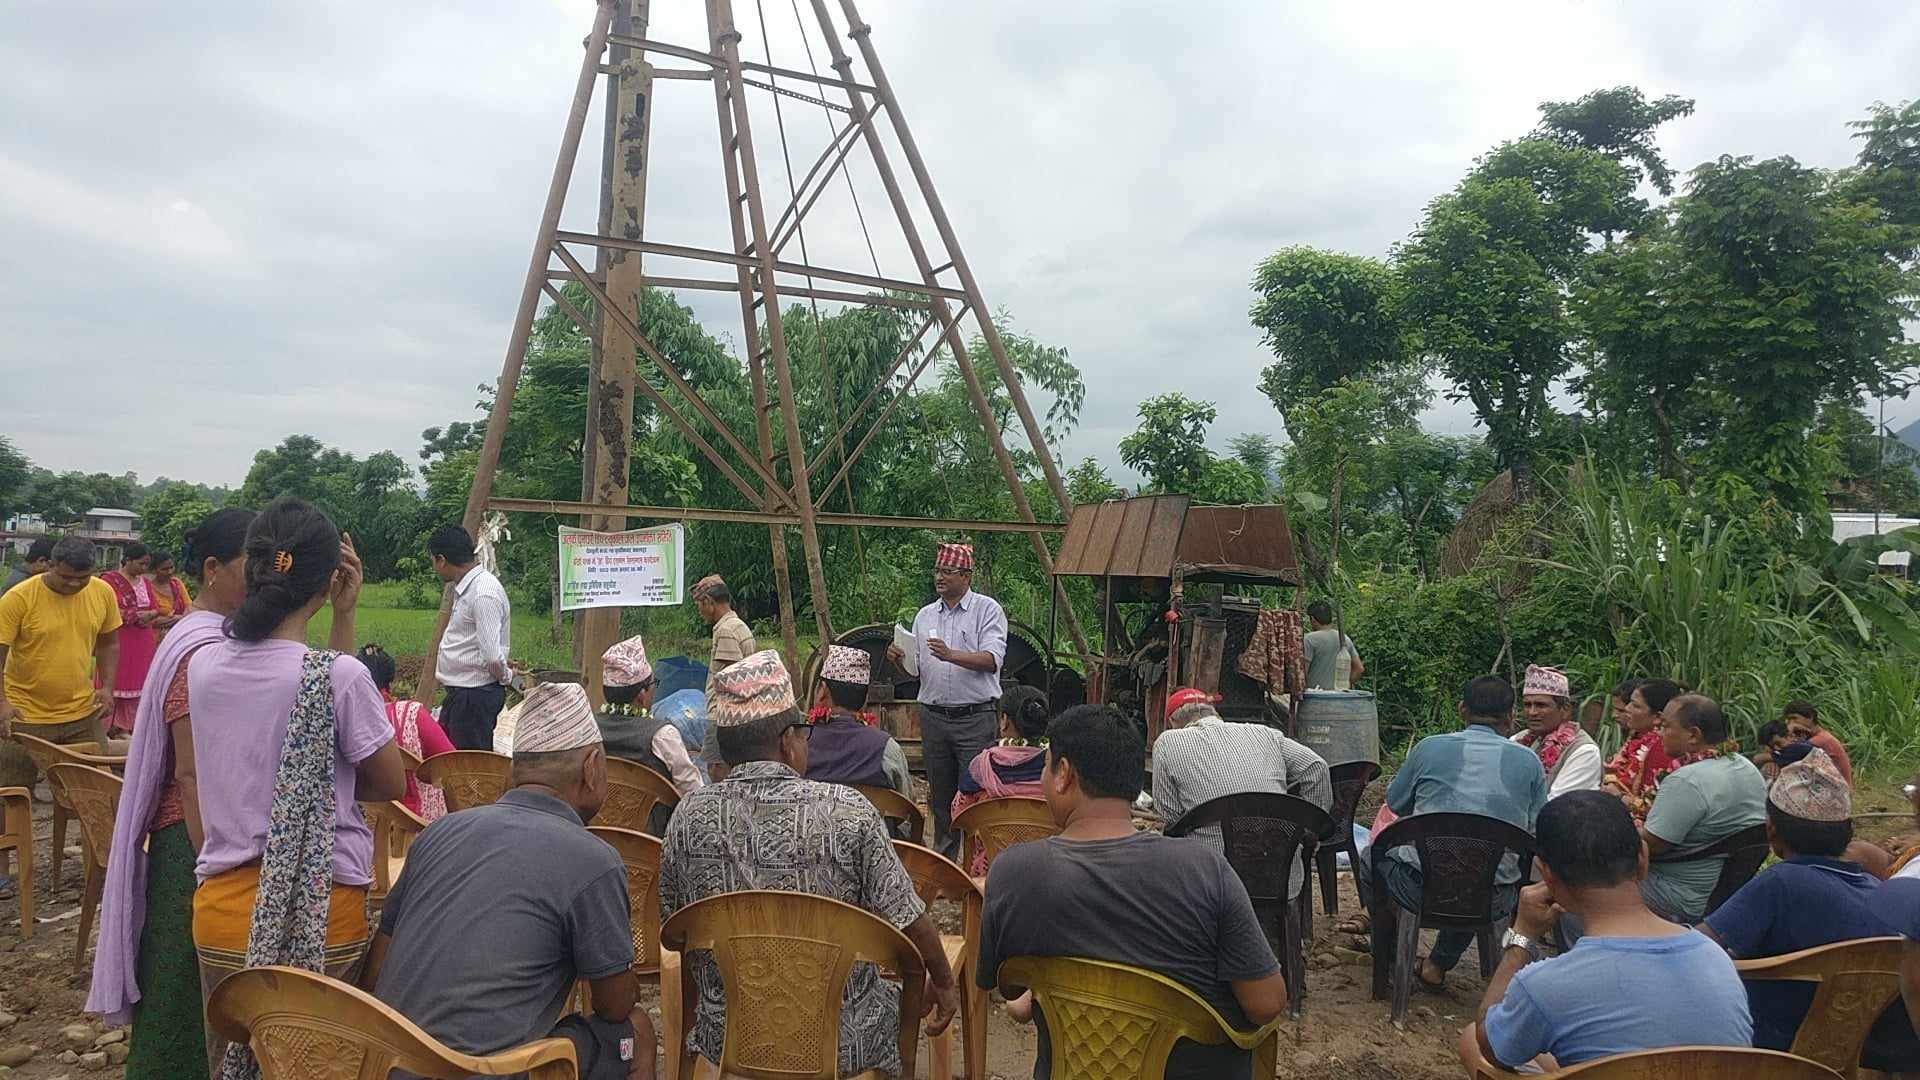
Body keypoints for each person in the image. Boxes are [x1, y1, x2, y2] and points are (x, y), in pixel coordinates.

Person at [184, 497, 406, 1076]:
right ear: (332, 577)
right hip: (320, 914)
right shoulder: (340, 678)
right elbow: (386, 780)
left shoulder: (203, 665)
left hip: (222, 916)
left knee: (234, 1066)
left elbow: (299, 683)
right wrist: (346, 615)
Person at [660, 650, 957, 1077]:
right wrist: (945, 983)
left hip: (729, 1033)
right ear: (787, 741)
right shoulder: (849, 812)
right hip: (842, 1038)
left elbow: (674, 932)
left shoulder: (687, 817)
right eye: (802, 732)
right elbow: (908, 916)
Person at [977, 704, 1287, 1080]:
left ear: (1063, 774)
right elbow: (1266, 1004)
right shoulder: (1204, 869)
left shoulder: (1011, 872)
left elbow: (1014, 996)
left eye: (1045, 766)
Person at [364, 681, 654, 1080]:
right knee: (636, 1030)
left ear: (513, 774)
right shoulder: (593, 860)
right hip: (490, 1073)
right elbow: (614, 1006)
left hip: (388, 1063)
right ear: (592, 768)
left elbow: (376, 970)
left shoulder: (438, 834)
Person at [87, 507, 254, 1080]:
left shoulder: (203, 634)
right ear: (212, 569)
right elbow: (191, 773)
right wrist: (214, 859)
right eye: (250, 566)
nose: (264, 579)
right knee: (187, 974)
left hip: (199, 836)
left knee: (187, 971)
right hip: (195, 837)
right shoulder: (202, 649)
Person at [1460, 790, 1751, 1074]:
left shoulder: (1545, 985)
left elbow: (1493, 1048)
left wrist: (1521, 939)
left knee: (1474, 1037)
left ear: (1546, 873)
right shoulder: (1716, 959)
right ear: (1642, 858)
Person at [1700, 748, 1920, 1071]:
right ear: (1848, 834)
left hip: (1765, 1048)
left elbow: (1698, 947)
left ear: (1771, 831)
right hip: (1848, 1055)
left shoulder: (1779, 882)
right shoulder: (1877, 894)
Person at [1353, 676, 1547, 989]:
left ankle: (1387, 954)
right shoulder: (1530, 762)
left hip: (1417, 888)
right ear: (1511, 716)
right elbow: (1536, 829)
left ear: (1461, 709)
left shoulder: (1430, 748)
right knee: (1476, 870)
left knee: (1369, 858)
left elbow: (1397, 803)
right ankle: (1439, 962)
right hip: (1492, 896)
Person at [1150, 686, 1331, 904]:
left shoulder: (1168, 742)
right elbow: (1316, 766)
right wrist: (1310, 832)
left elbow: (1169, 818)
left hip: (1209, 880)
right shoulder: (1265, 733)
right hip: (1279, 876)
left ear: (1173, 722)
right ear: (1214, 712)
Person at [886, 542, 1007, 860]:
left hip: (974, 717)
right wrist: (899, 661)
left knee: (976, 793)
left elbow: (992, 659)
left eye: (948, 571)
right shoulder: (925, 616)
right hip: (934, 716)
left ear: (966, 576)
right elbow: (917, 673)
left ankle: (977, 865)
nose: (940, 577)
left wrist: (951, 654)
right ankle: (944, 864)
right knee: (940, 795)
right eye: (937, 570)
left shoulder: (987, 610)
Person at [1639, 693, 1768, 925]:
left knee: (1583, 891)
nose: (1659, 733)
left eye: (1666, 726)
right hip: (1726, 895)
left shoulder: (1687, 780)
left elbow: (1650, 845)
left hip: (1679, 895)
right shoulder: (1744, 766)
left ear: (1693, 735)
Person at [0, 536, 122, 753]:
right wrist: (2, 703)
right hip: (23, 715)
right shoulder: (19, 597)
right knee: (15, 786)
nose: (74, 584)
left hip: (81, 714)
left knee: (91, 784)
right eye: (66, 577)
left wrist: (107, 687)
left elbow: (108, 644)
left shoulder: (103, 592)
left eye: (83, 577)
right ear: (50, 565)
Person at [595, 634, 703, 834]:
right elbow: (694, 794)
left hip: (596, 834)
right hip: (650, 845)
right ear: (642, 695)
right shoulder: (662, 735)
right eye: (654, 684)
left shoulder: (589, 729)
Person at [950, 685, 1052, 876]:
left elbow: (959, 814)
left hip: (992, 873)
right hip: (1045, 872)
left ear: (1004, 721)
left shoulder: (982, 766)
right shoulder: (1056, 770)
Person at [430, 523, 512, 750]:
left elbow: (492, 656)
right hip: (463, 695)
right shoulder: (469, 587)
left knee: (469, 769)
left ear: (441, 560)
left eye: (433, 561)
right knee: (452, 762)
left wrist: (506, 676)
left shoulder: (483, 592)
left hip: (474, 696)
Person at [357, 644, 454, 823]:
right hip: (421, 829)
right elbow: (453, 763)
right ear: (391, 681)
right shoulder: (412, 714)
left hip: (369, 831)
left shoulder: (348, 718)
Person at [804, 644, 911, 797]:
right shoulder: (886, 748)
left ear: (822, 690)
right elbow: (906, 806)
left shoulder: (798, 743)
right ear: (866, 697)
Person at [691, 574, 755, 782]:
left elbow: (730, 681)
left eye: (699, 605)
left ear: (709, 602)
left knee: (718, 772)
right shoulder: (737, 626)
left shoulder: (726, 631)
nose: (700, 612)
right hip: (735, 715)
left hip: (723, 716)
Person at [1511, 665, 1602, 798]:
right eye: (1527, 705)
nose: (1532, 712)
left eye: (1541, 705)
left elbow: (1557, 804)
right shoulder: (1518, 740)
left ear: (1565, 710)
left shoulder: (1584, 751)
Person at [1602, 677, 1685, 822]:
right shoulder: (1637, 735)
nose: (1627, 709)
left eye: (1635, 705)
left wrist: (1619, 797)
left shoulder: (1662, 749)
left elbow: (1655, 810)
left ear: (1657, 717)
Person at [1783, 699, 1853, 787]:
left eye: (1794, 718)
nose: (1789, 722)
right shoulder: (1814, 736)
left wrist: (1789, 730)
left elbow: (1787, 754)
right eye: (1788, 719)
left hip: (1837, 791)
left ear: (1810, 717)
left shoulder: (1821, 739)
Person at [1302, 600, 1363, 690]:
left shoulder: (1309, 640)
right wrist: (1345, 686)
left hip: (1315, 698)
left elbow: (1303, 673)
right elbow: (1359, 669)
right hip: (1339, 698)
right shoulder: (1344, 639)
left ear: (1313, 619)